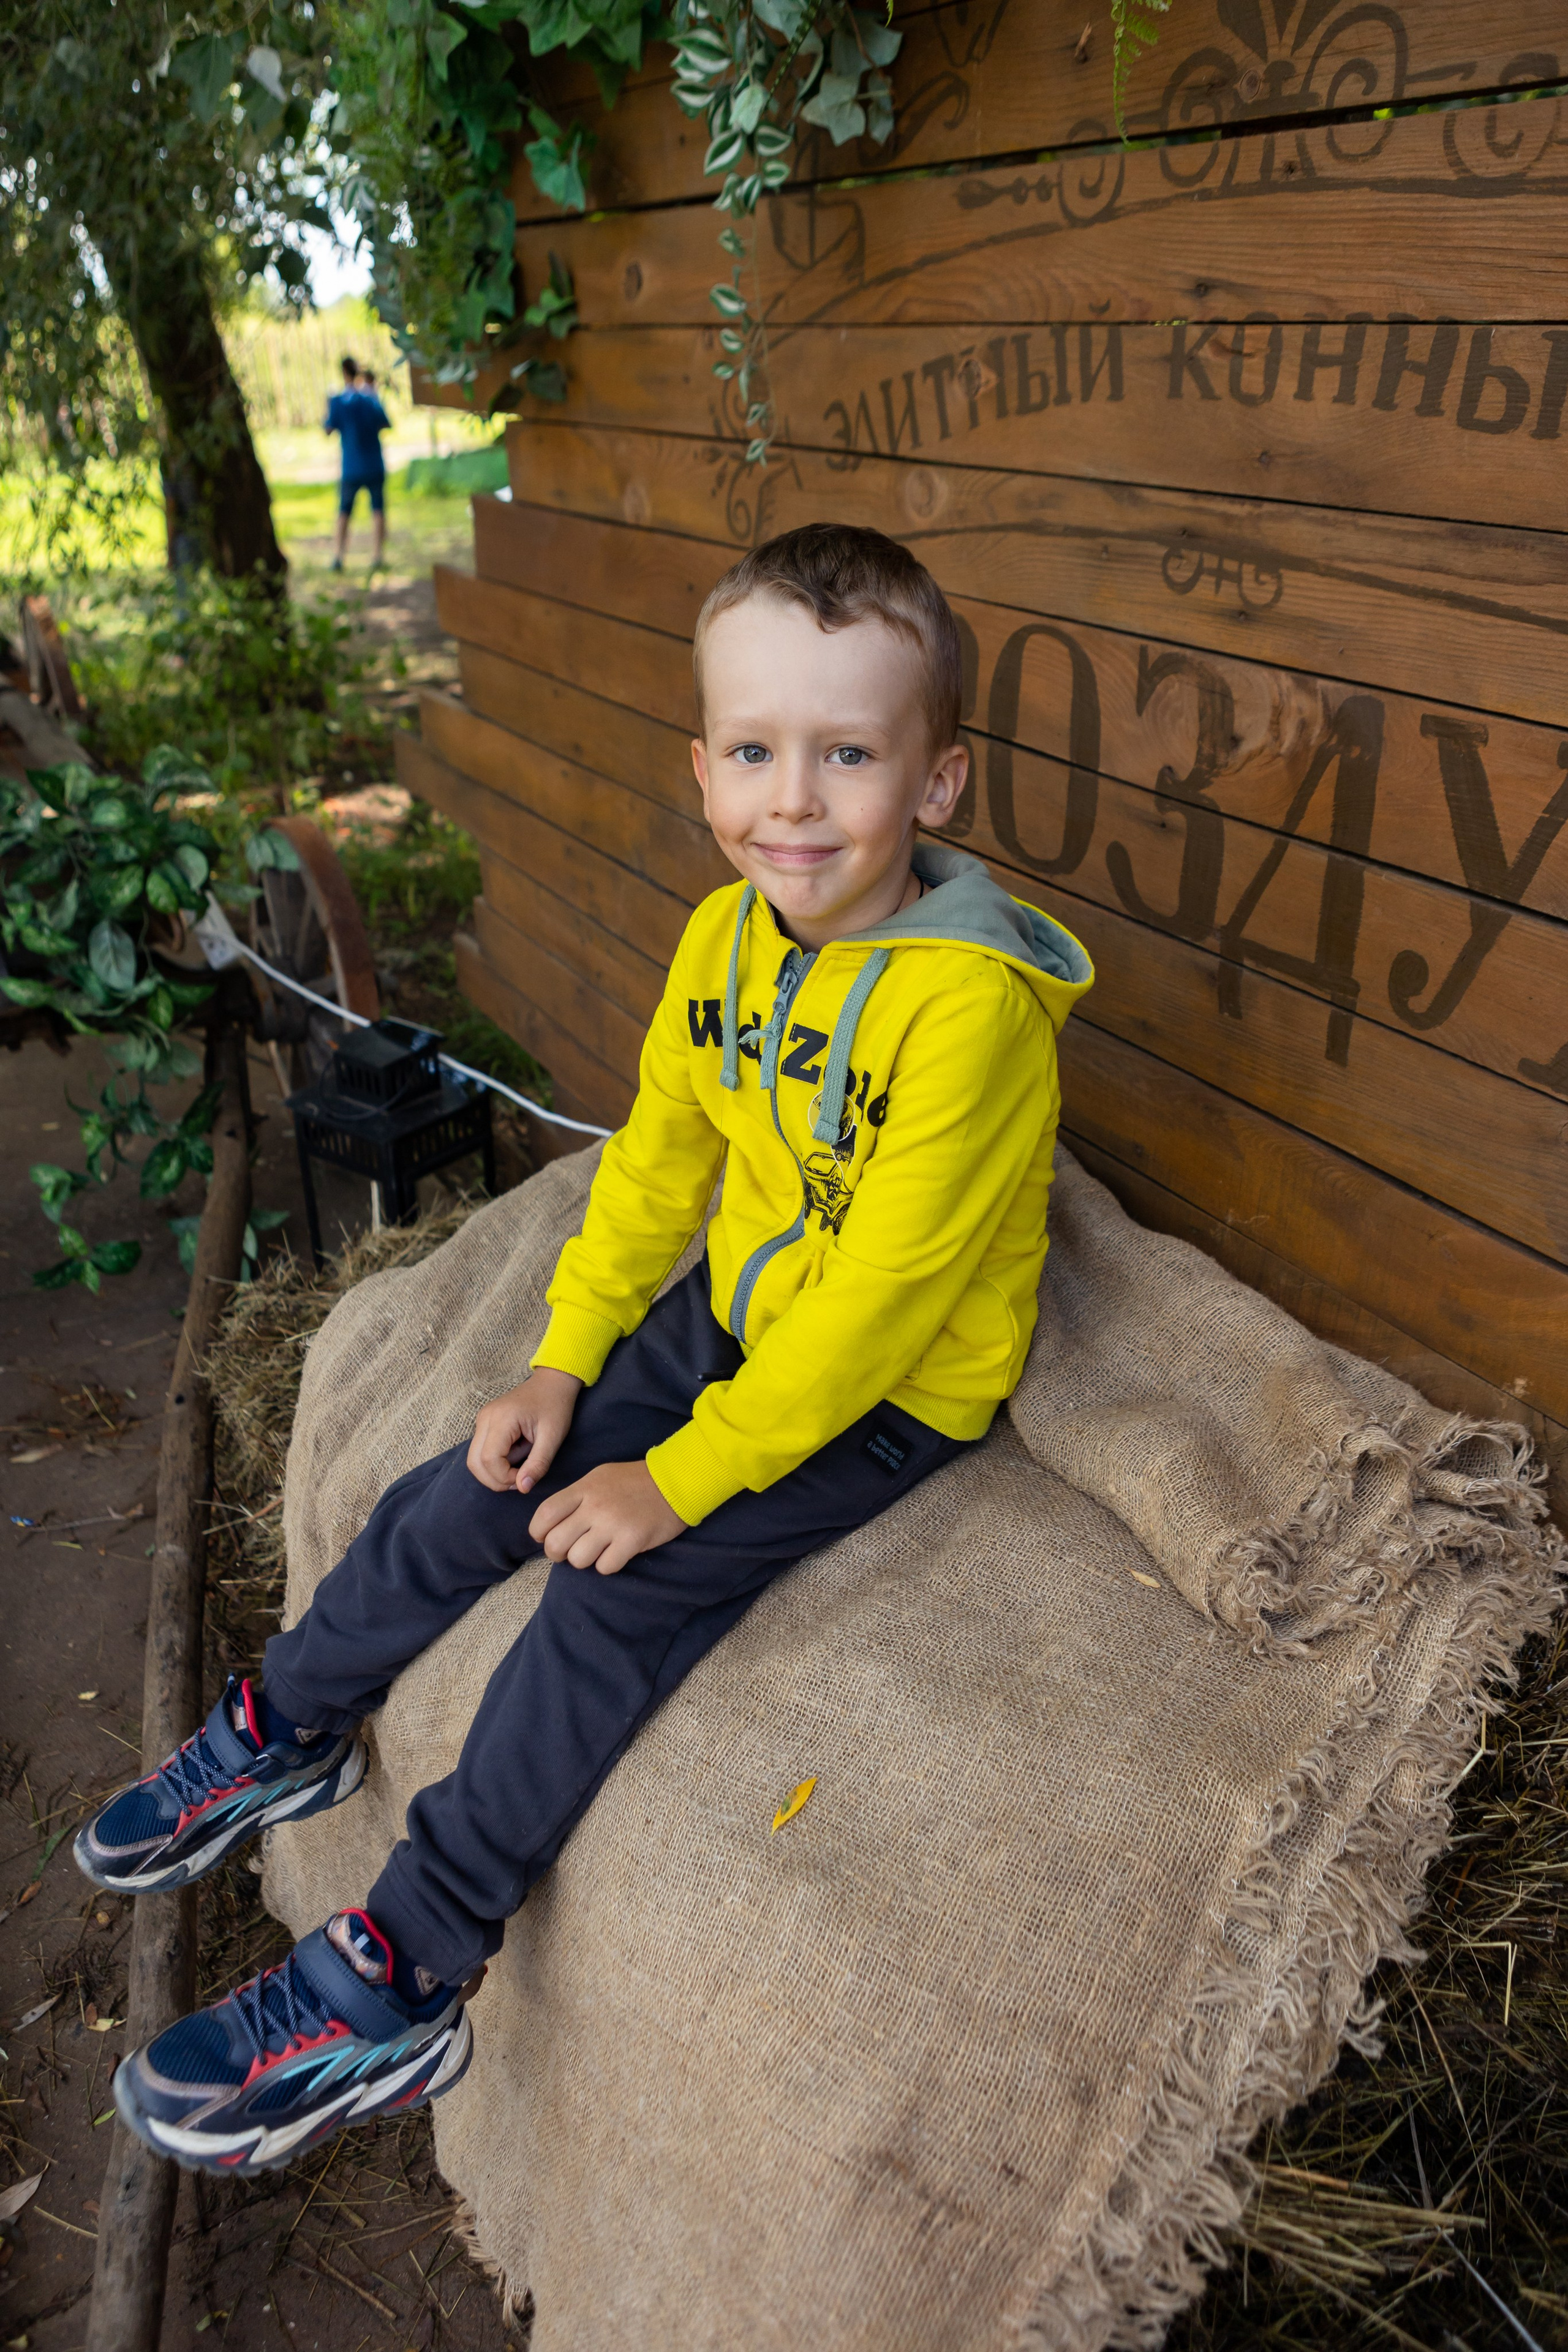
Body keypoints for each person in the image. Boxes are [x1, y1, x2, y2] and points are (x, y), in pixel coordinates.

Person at [75, 523, 1095, 2176]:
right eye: (753, 752)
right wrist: (562, 1364)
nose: (792, 801)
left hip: (890, 1388)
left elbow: (875, 1312)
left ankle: (401, 1972)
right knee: (474, 1484)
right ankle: (288, 1722)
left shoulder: (963, 1014)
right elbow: (656, 1168)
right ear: (702, 766)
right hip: (738, 1310)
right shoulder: (724, 941)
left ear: (938, 783)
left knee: (611, 1593)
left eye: (847, 756)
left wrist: (676, 1481)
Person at [324, 356, 390, 572]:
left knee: (344, 511)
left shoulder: (338, 401)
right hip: (374, 464)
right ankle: (377, 556)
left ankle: (338, 556)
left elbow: (328, 428)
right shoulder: (370, 399)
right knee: (377, 509)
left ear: (344, 373)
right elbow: (385, 423)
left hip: (351, 467)